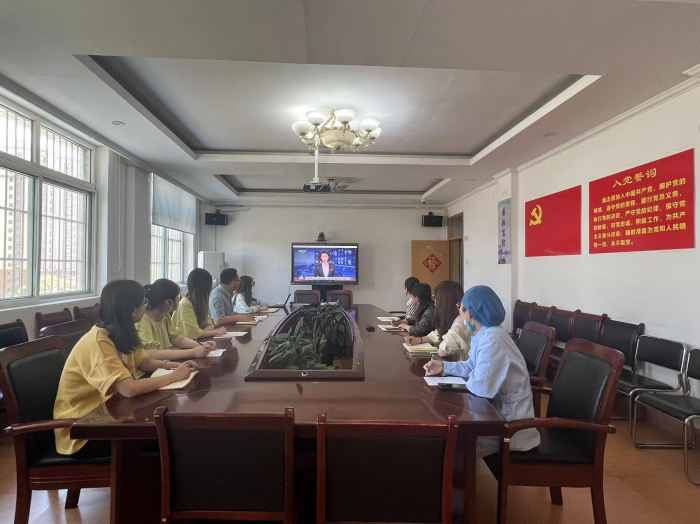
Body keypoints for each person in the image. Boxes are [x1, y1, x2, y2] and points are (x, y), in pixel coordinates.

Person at [54, 279, 198, 456]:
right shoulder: (98, 342)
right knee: (169, 440)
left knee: (171, 437)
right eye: (144, 302)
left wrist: (176, 366)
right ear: (132, 309)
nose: (146, 306)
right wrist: (174, 376)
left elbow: (143, 362)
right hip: (83, 432)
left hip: (110, 416)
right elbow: (128, 389)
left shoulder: (121, 332)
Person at [423, 285, 540, 458]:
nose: (460, 312)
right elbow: (472, 365)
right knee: (450, 442)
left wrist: (453, 387)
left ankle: (461, 475)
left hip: (510, 428)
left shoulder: (492, 339)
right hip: (496, 415)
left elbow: (480, 389)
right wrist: (444, 367)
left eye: (461, 307)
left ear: (469, 314)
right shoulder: (485, 333)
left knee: (451, 447)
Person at [137, 278, 216, 359]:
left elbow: (177, 339)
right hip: (157, 365)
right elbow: (153, 354)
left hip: (165, 362)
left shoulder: (165, 316)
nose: (179, 299)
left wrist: (200, 345)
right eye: (177, 297)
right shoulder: (143, 320)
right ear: (169, 302)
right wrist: (193, 352)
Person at [405, 280, 470, 361]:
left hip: (461, 366)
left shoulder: (460, 320)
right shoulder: (450, 317)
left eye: (435, 297)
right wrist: (418, 340)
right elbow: (437, 334)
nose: (435, 301)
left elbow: (443, 351)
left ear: (444, 301)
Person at [174, 268, 227, 339]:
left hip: (197, 341)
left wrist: (200, 333)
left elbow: (210, 325)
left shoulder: (201, 302)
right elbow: (193, 334)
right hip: (185, 343)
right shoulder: (185, 304)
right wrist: (216, 332)